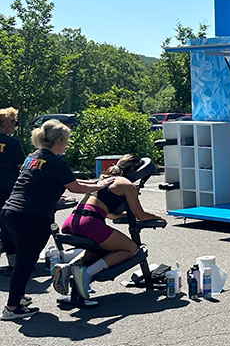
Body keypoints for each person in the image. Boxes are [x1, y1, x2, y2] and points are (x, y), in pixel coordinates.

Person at [1, 120, 115, 320]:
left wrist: (96, 182)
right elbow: (75, 187)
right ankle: (12, 308)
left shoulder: (33, 157)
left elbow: (70, 181)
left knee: (24, 260)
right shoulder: (56, 161)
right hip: (30, 216)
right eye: (66, 140)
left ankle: (18, 298)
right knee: (25, 263)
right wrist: (100, 186)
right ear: (59, 140)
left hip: (10, 212)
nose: (67, 144)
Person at [51, 153, 165, 300]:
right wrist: (158, 218)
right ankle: (87, 274)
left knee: (101, 248)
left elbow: (110, 215)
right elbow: (141, 215)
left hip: (71, 222)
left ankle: (68, 267)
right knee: (130, 248)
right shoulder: (126, 184)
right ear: (134, 169)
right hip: (89, 224)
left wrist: (123, 216)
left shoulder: (103, 179)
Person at [0, 107, 26, 275]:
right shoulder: (12, 143)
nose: (14, 125)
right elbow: (23, 167)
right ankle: (14, 263)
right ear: (6, 124)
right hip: (8, 190)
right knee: (9, 227)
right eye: (13, 122)